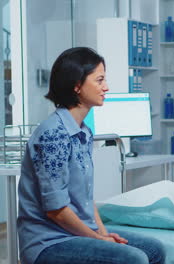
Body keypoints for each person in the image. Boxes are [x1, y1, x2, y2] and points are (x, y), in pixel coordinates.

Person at [17, 47, 166, 264]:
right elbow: (56, 211)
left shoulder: (84, 132)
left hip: (78, 232)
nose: (106, 87)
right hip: (49, 242)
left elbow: (85, 200)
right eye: (99, 80)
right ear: (77, 85)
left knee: (154, 249)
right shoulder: (53, 135)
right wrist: (99, 239)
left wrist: (103, 234)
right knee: (133, 259)